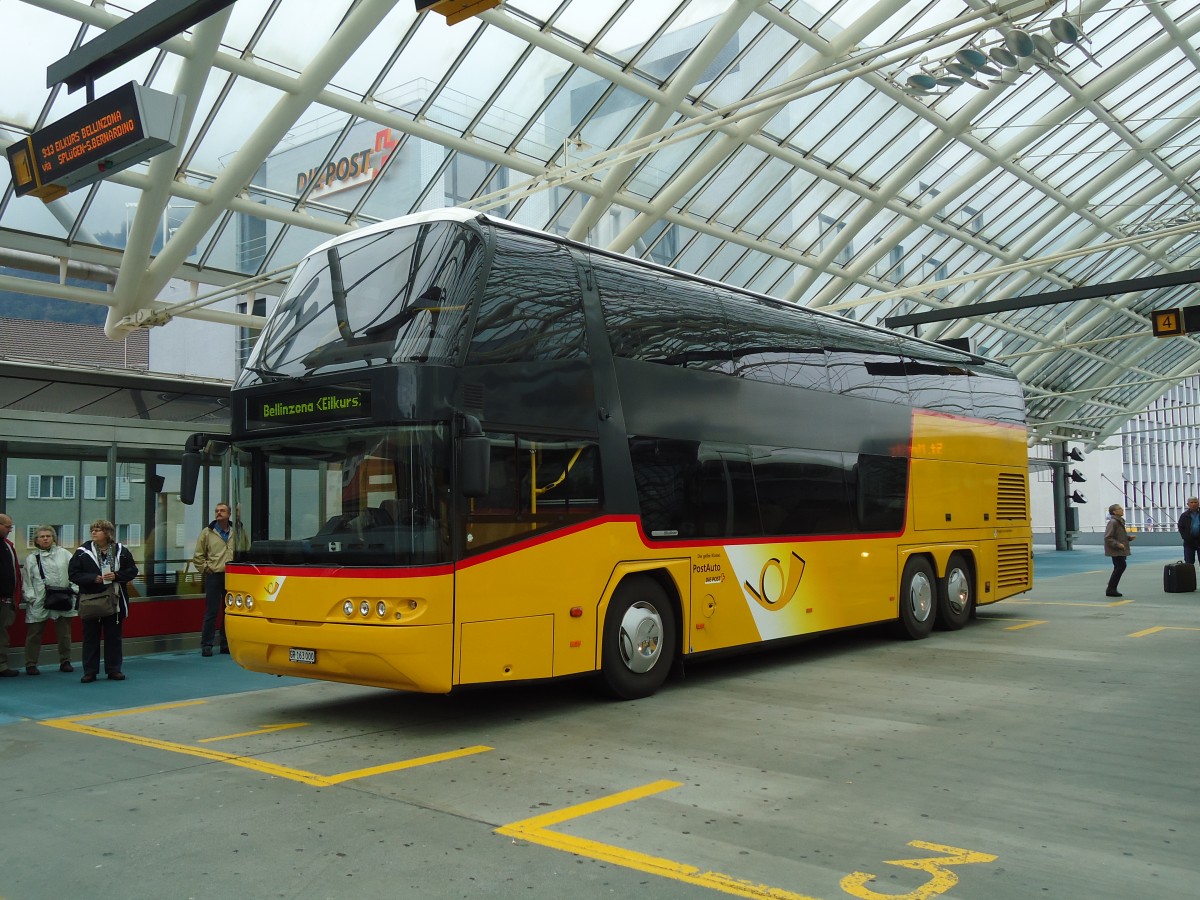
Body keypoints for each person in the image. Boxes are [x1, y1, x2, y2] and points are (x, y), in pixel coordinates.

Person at [69, 519, 138, 683]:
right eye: (92, 529)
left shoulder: (121, 551)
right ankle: (90, 671)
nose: (93, 532)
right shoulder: (82, 552)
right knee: (90, 638)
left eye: (98, 530)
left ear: (107, 533)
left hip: (114, 600)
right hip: (91, 600)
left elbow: (132, 570)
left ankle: (114, 670)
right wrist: (93, 578)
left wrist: (117, 576)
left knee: (113, 637)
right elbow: (73, 574)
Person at [191, 501, 246, 657]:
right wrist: (206, 569)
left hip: (232, 575)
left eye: (222, 510)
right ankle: (206, 644)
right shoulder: (207, 533)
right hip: (214, 575)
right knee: (211, 611)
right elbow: (198, 556)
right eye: (216, 510)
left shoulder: (237, 531)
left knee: (228, 611)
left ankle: (225, 644)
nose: (218, 513)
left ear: (229, 514)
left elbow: (246, 549)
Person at [22, 525, 77, 674]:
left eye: (48, 536)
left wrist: (74, 590)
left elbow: (74, 573)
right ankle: (31, 663)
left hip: (63, 597)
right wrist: (31, 598)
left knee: (64, 633)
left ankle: (65, 661)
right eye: (42, 536)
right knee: (34, 633)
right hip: (39, 599)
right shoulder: (31, 558)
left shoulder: (65, 554)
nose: (45, 538)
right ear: (36, 540)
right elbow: (27, 580)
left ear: (53, 538)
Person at [0, 513, 21, 678]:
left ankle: (1, 665)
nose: (9, 530)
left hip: (6, 599)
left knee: (2, 633)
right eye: (7, 527)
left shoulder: (7, 545)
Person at [1104, 503, 1134, 598]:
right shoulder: (1113, 522)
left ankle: (1111, 588)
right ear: (1115, 512)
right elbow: (1108, 537)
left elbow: (1119, 535)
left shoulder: (1119, 522)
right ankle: (1111, 588)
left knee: (1119, 567)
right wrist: (1118, 545)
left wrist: (1128, 538)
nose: (1122, 510)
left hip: (1119, 549)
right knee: (1120, 566)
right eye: (1119, 508)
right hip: (1116, 550)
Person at [1177, 497, 1200, 565]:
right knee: (1189, 562)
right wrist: (1186, 538)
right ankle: (1190, 575)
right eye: (1191, 502)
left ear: (1198, 503)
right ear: (1188, 504)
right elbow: (1181, 528)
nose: (1193, 504)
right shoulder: (1184, 516)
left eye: (1195, 502)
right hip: (1189, 542)